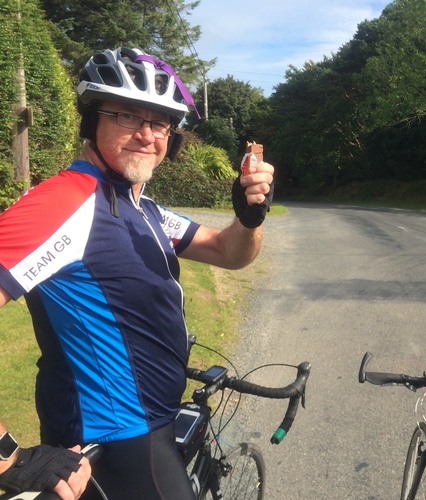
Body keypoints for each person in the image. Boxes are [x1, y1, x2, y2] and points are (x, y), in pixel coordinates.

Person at [0, 47, 274, 499]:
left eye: (160, 122)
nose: (147, 135)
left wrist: (249, 218)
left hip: (152, 421)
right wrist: (9, 455)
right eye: (127, 116)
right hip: (114, 441)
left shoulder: (141, 208)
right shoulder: (65, 202)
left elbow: (228, 253)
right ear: (92, 122)